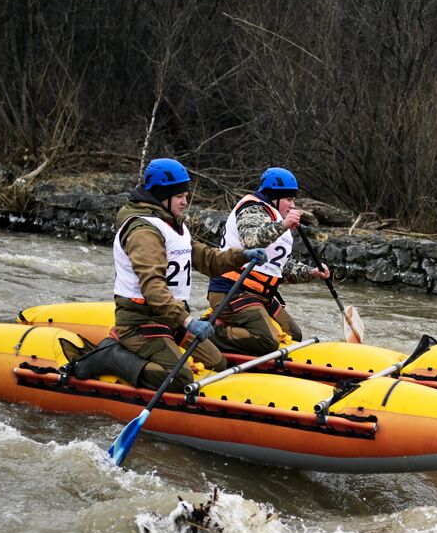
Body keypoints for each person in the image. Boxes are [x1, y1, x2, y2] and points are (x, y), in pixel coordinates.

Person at [113, 157, 267, 390]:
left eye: (186, 195)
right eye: (179, 197)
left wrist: (242, 256)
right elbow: (152, 287)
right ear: (160, 196)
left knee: (218, 363)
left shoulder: (173, 224)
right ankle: (113, 358)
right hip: (140, 322)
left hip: (169, 319)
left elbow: (207, 259)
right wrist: (187, 320)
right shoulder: (143, 231)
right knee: (180, 377)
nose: (185, 202)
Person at [208, 167, 331, 355]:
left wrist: (311, 272)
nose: (292, 205)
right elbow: (251, 240)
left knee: (294, 334)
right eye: (289, 199)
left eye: (293, 200)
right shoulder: (251, 208)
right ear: (274, 197)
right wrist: (283, 225)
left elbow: (278, 268)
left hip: (260, 295)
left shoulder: (277, 220)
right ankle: (209, 333)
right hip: (232, 291)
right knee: (267, 339)